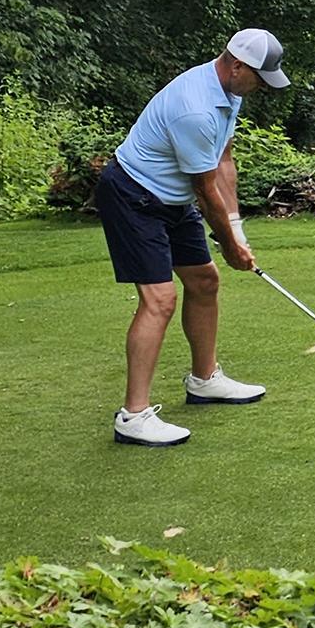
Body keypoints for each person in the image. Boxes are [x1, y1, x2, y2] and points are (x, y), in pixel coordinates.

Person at [100, 29, 290, 446]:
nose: (262, 87)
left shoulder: (230, 91)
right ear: (237, 66)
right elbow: (205, 192)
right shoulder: (197, 109)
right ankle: (132, 417)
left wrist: (236, 231)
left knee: (205, 281)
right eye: (260, 77)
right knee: (159, 299)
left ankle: (204, 380)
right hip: (133, 195)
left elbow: (224, 159)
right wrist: (230, 245)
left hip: (171, 197)